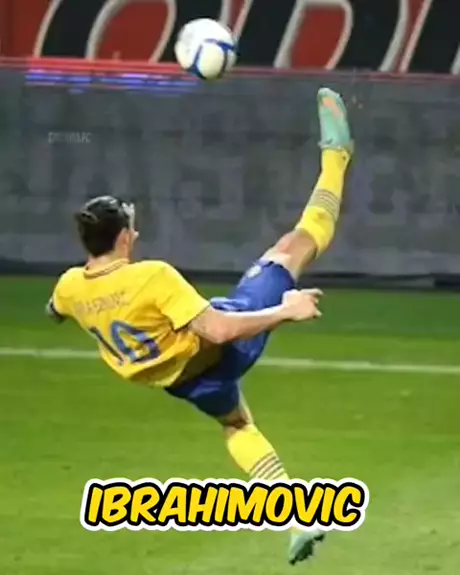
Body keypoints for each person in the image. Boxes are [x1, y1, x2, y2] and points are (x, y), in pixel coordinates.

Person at [47, 87, 353, 565]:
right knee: (296, 244)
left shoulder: (69, 286)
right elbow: (221, 331)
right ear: (125, 237)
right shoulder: (152, 276)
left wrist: (79, 309)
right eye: (133, 225)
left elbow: (54, 309)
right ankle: (337, 156)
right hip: (222, 348)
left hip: (184, 384)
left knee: (237, 425)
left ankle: (294, 519)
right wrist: (284, 311)